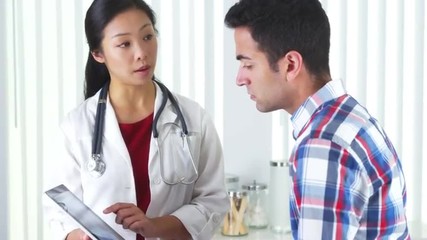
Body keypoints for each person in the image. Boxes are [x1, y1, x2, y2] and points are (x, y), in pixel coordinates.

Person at [43, 0, 229, 239]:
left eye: (148, 37)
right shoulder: (75, 128)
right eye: (124, 44)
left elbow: (213, 201)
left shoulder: (193, 119)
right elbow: (59, 215)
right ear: (98, 54)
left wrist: (155, 226)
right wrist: (77, 236)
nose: (141, 53)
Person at [224, 0, 410, 239]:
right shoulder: (351, 118)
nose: (239, 79)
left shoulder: (323, 144)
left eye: (247, 64)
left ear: (291, 64)